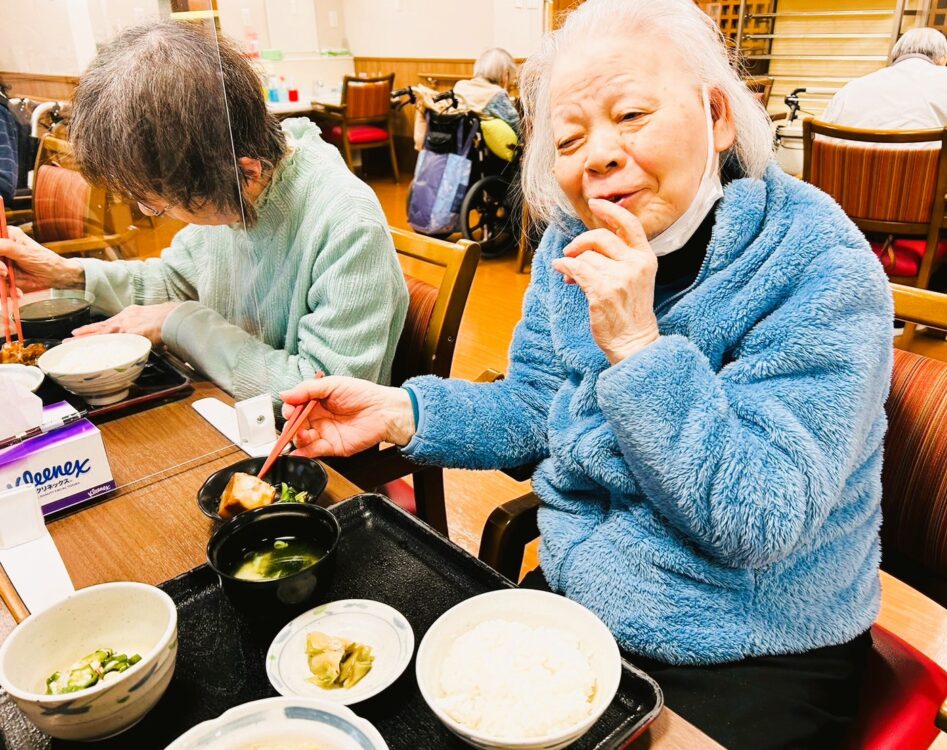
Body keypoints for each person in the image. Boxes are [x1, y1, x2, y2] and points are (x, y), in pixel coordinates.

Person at [280, 1, 893, 746]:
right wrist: (404, 415)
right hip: (585, 597)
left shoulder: (816, 263)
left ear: (717, 116)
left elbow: (759, 517)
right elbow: (538, 403)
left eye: (630, 113)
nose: (597, 155)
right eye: (569, 138)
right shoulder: (573, 244)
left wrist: (638, 343)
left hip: (749, 638)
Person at [0, 21, 407, 402]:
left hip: (308, 452)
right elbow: (174, 281)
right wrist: (65, 272)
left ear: (243, 174)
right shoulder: (230, 184)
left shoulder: (345, 223)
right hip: (228, 410)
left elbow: (328, 396)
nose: (150, 211)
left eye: (157, 203)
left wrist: (181, 323)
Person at [823, 27, 947, 289]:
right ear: (943, 59)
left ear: (896, 55)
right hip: (921, 216)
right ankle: (945, 292)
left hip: (847, 212)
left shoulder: (851, 89)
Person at [454, 47, 521, 134]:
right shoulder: (496, 94)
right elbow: (517, 129)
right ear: (505, 74)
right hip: (477, 146)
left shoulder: (461, 85)